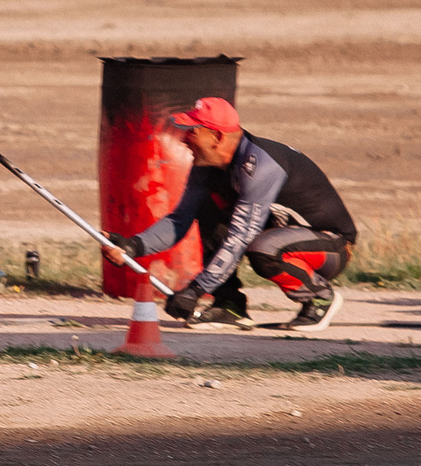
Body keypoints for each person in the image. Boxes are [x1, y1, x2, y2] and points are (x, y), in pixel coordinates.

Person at [103, 96, 358, 332]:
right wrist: (134, 245)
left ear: (216, 136)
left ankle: (319, 296)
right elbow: (179, 219)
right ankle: (230, 306)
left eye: (192, 131)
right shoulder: (207, 165)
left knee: (263, 248)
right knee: (209, 208)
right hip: (285, 234)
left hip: (333, 247)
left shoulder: (260, 164)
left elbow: (240, 238)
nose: (184, 139)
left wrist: (195, 290)